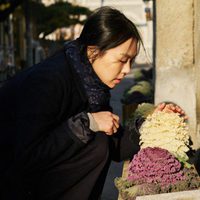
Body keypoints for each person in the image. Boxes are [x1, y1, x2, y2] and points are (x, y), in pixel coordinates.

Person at [0, 6, 186, 200]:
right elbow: (27, 155)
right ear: (93, 52)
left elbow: (115, 144)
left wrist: (153, 125)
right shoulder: (49, 82)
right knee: (95, 142)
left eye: (131, 61)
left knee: (98, 140)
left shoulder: (92, 86)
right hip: (11, 181)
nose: (127, 70)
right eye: (122, 60)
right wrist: (87, 123)